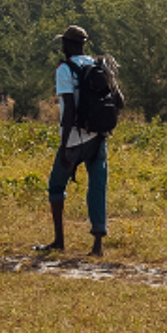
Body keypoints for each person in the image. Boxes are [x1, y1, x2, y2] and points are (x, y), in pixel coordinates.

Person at [37, 25, 124, 256]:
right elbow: (120, 102)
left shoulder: (65, 69)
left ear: (68, 45)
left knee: (56, 185)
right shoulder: (99, 65)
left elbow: (69, 112)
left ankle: (59, 241)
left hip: (75, 138)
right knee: (97, 187)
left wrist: (65, 146)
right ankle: (97, 246)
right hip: (99, 137)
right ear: (83, 44)